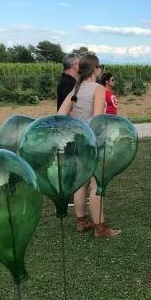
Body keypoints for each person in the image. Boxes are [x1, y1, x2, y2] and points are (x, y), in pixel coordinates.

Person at [58, 54, 120, 238]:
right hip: (93, 142)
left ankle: (82, 222)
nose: (101, 70)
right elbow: (97, 120)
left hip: (79, 141)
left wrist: (78, 123)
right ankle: (100, 228)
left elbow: (61, 113)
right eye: (100, 67)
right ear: (94, 68)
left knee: (81, 183)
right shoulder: (98, 88)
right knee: (96, 185)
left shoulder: (77, 89)